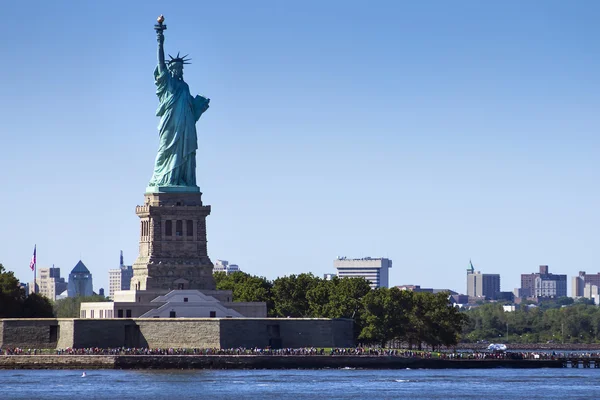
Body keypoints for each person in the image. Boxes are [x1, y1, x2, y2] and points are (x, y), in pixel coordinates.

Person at [148, 26, 210, 188]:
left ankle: (181, 180)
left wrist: (200, 107)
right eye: (175, 68)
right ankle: (162, 179)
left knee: (185, 153)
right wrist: (160, 40)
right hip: (170, 124)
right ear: (170, 69)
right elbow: (160, 64)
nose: (179, 70)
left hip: (185, 126)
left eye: (180, 68)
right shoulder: (168, 83)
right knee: (164, 151)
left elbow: (191, 110)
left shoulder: (185, 87)